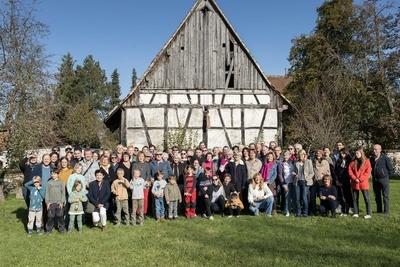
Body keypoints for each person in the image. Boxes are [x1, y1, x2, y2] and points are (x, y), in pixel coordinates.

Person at [348, 147, 372, 219]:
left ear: (361, 153)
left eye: (358, 153)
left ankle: (369, 213)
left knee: (366, 198)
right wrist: (355, 178)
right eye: (355, 153)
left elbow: (367, 172)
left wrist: (360, 179)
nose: (356, 154)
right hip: (354, 183)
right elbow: (350, 171)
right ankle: (356, 212)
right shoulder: (352, 162)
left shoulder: (366, 162)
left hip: (363, 183)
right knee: (355, 198)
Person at [370, 144, 393, 215]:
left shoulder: (385, 158)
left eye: (375, 149)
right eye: (373, 149)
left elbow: (390, 169)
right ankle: (379, 210)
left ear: (380, 150)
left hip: (384, 180)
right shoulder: (372, 159)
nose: (374, 151)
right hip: (375, 180)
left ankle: (386, 211)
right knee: (377, 196)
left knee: (385, 196)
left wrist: (385, 176)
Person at [293, 149, 314, 217]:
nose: (300, 156)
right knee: (297, 198)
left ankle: (305, 213)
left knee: (304, 198)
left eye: (302, 155)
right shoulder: (296, 162)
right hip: (297, 182)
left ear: (304, 155)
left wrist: (306, 179)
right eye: (299, 155)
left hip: (305, 182)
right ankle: (298, 213)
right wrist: (294, 174)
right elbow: (293, 171)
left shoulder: (308, 162)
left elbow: (311, 173)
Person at [45, 168, 66, 234]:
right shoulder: (49, 182)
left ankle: (61, 228)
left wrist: (61, 201)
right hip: (51, 202)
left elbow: (63, 192)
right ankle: (48, 229)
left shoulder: (61, 182)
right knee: (50, 216)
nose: (53, 175)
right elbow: (47, 193)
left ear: (57, 174)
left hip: (58, 202)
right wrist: (47, 202)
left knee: (60, 216)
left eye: (54, 174)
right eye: (52, 174)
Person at [310, 150, 330, 216]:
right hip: (314, 182)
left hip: (322, 182)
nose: (318, 155)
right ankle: (314, 211)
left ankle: (324, 211)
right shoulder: (313, 162)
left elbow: (327, 172)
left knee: (323, 197)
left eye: (319, 154)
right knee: (312, 198)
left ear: (322, 154)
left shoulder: (325, 162)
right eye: (317, 153)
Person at [335, 148, 353, 216]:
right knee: (341, 196)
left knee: (347, 196)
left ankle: (348, 209)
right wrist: (337, 180)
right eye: (341, 153)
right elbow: (336, 171)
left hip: (346, 181)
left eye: (344, 153)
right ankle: (342, 209)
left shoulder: (349, 162)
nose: (342, 155)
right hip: (339, 181)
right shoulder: (338, 161)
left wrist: (342, 181)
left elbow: (348, 173)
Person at [277, 150, 295, 216]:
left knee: (294, 197)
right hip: (286, 182)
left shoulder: (293, 162)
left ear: (290, 155)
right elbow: (280, 175)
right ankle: (287, 211)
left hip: (294, 182)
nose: (285, 156)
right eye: (284, 155)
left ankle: (294, 210)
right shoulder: (281, 164)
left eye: (287, 155)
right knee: (287, 197)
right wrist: (283, 184)